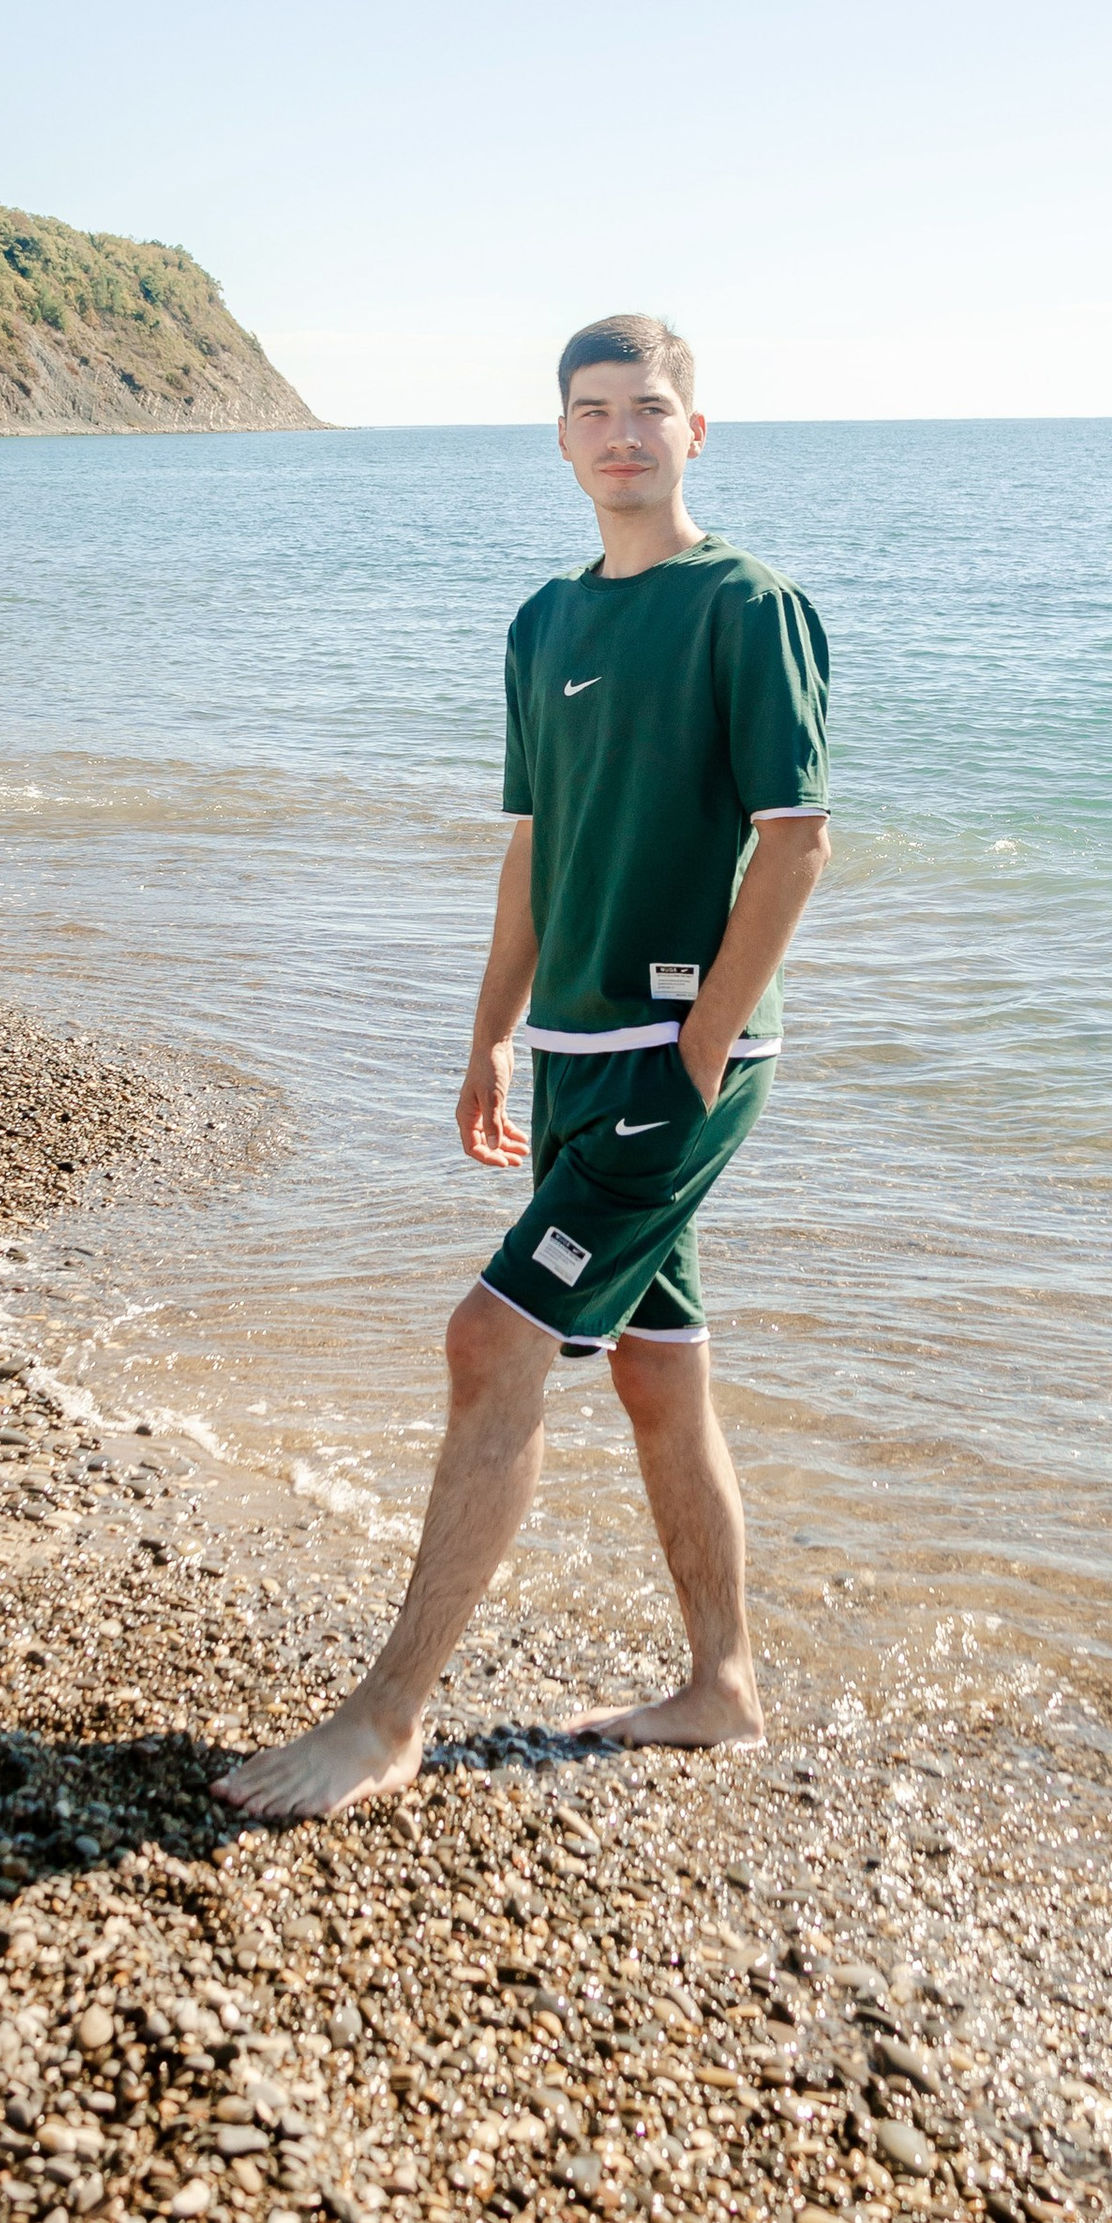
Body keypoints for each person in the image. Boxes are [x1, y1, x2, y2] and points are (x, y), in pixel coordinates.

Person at [213, 311, 830, 1824]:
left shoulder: (746, 604)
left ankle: (389, 1717)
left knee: (489, 1347)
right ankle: (723, 1686)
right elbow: (535, 856)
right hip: (571, 1053)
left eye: (652, 407)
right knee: (656, 1373)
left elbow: (795, 840)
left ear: (699, 430)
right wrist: (491, 1032)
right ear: (562, 437)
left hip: (671, 1062)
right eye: (594, 409)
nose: (624, 432)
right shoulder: (544, 624)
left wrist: (696, 1051)